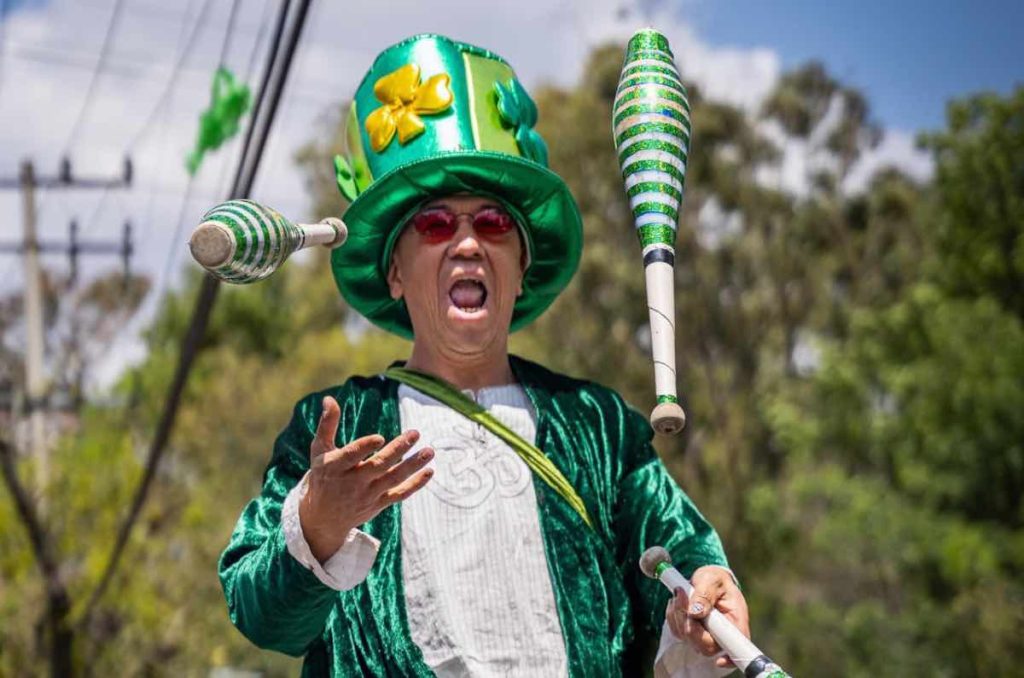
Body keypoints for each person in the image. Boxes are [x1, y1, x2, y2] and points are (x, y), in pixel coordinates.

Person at [219, 34, 750, 677]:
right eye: (437, 225)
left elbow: (676, 554)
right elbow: (262, 617)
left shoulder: (598, 425)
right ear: (394, 272)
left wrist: (706, 596)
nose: (467, 243)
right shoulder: (335, 425)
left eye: (494, 225)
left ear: (521, 267)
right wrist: (317, 525)